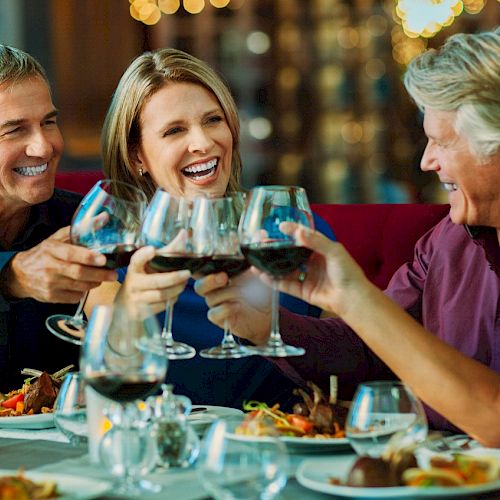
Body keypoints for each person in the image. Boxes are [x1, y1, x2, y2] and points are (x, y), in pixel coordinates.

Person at [197, 28, 500, 446]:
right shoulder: (446, 242)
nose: (427, 161)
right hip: (432, 478)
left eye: (441, 142)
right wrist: (270, 328)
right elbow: (370, 351)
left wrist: (356, 295)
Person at [87, 48, 335, 409]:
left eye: (213, 120)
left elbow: (357, 362)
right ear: (136, 156)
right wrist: (129, 313)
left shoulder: (290, 232)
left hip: (289, 446)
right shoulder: (114, 259)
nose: (203, 143)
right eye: (174, 130)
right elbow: (104, 392)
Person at [0, 45, 117, 392]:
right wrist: (12, 276)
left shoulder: (82, 221)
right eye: (15, 130)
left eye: (48, 122)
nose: (45, 147)